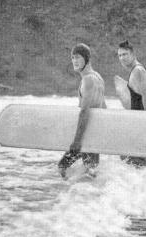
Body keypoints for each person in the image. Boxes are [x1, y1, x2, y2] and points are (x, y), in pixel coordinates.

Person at [58, 43, 106, 179]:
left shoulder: (88, 80)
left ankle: (75, 195)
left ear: (87, 59)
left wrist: (77, 141)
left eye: (78, 57)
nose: (74, 61)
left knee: (62, 167)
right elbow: (104, 108)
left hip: (86, 136)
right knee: (91, 172)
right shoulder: (98, 77)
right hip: (93, 136)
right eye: (72, 57)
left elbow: (85, 111)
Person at [117, 40, 146, 167]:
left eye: (125, 54)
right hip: (137, 121)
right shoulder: (135, 70)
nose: (122, 58)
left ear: (132, 54)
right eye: (120, 55)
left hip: (141, 123)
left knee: (127, 156)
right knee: (129, 156)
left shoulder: (138, 70)